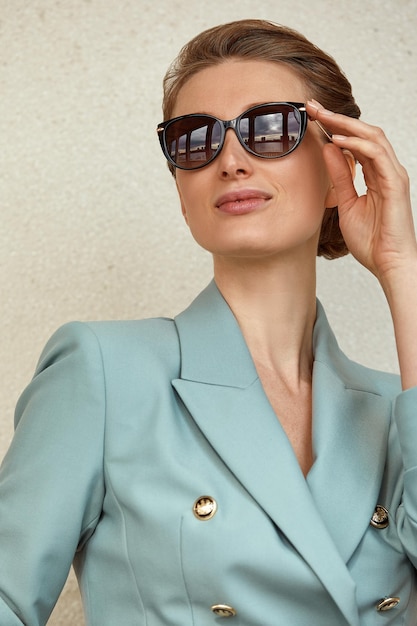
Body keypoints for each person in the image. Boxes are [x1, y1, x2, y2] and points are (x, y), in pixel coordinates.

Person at [0, 18, 416, 626]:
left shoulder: (393, 407)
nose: (230, 159)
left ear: (340, 166)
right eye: (196, 138)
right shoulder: (104, 373)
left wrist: (401, 270)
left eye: (269, 128)